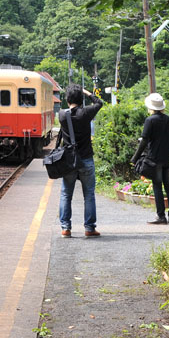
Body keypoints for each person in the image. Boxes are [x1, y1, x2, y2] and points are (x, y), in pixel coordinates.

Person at [58, 83, 103, 237]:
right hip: (86, 160)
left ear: (67, 99)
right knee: (89, 195)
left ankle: (65, 228)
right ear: (81, 98)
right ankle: (89, 229)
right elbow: (99, 103)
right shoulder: (86, 113)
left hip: (70, 161)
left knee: (66, 194)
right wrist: (87, 92)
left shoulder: (62, 115)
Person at [131, 92, 169, 225]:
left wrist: (135, 157)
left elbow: (144, 141)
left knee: (157, 186)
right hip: (167, 158)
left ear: (151, 107)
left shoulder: (150, 120)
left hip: (154, 159)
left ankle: (161, 216)